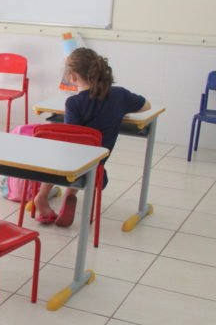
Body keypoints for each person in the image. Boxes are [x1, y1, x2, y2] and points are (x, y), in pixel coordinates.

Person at [33, 47, 150, 226]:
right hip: (96, 168)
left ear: (72, 77)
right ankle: (70, 195)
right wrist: (120, 111)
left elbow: (70, 138)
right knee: (86, 157)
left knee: (59, 154)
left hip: (67, 165)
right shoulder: (120, 95)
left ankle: (41, 198)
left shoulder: (73, 103)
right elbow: (146, 106)